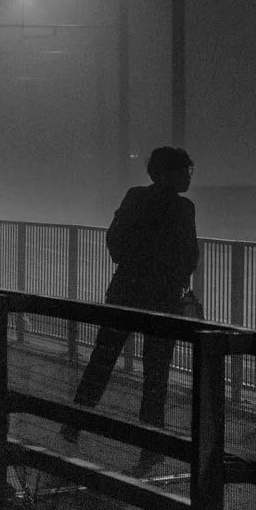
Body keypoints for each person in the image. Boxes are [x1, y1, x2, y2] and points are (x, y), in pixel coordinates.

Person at [62, 146, 199, 476]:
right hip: (163, 301)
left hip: (125, 291)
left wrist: (132, 264)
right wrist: (174, 279)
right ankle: (150, 446)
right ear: (167, 174)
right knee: (156, 374)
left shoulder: (135, 197)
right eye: (183, 172)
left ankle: (75, 421)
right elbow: (188, 253)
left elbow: (115, 238)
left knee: (103, 358)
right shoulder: (183, 209)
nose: (187, 178)